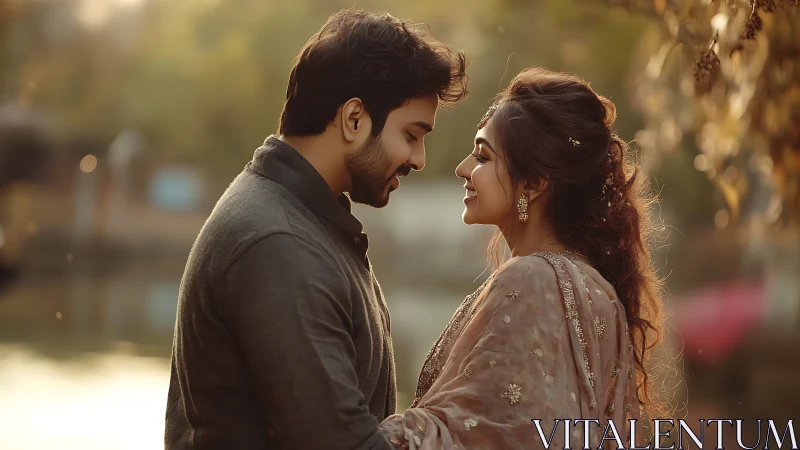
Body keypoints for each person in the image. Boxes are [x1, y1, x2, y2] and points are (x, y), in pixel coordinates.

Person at [164, 9, 468, 449]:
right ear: (354, 119)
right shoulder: (279, 244)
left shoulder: (300, 222)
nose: (419, 158)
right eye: (412, 134)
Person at [378, 68, 666, 449]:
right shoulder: (599, 290)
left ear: (533, 183)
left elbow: (491, 433)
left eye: (482, 156)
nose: (463, 169)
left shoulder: (529, 279)